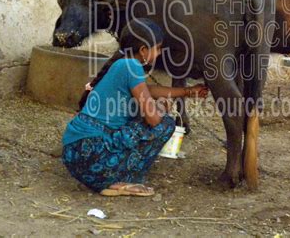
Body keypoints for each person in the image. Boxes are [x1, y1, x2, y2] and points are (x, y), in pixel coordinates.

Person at [61, 18, 208, 197]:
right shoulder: (132, 67)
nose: (160, 53)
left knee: (140, 120)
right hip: (93, 154)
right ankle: (123, 179)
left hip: (74, 155)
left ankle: (106, 182)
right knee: (165, 124)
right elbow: (153, 119)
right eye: (158, 48)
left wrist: (187, 91)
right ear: (144, 50)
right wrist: (162, 106)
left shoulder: (122, 64)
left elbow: (148, 90)